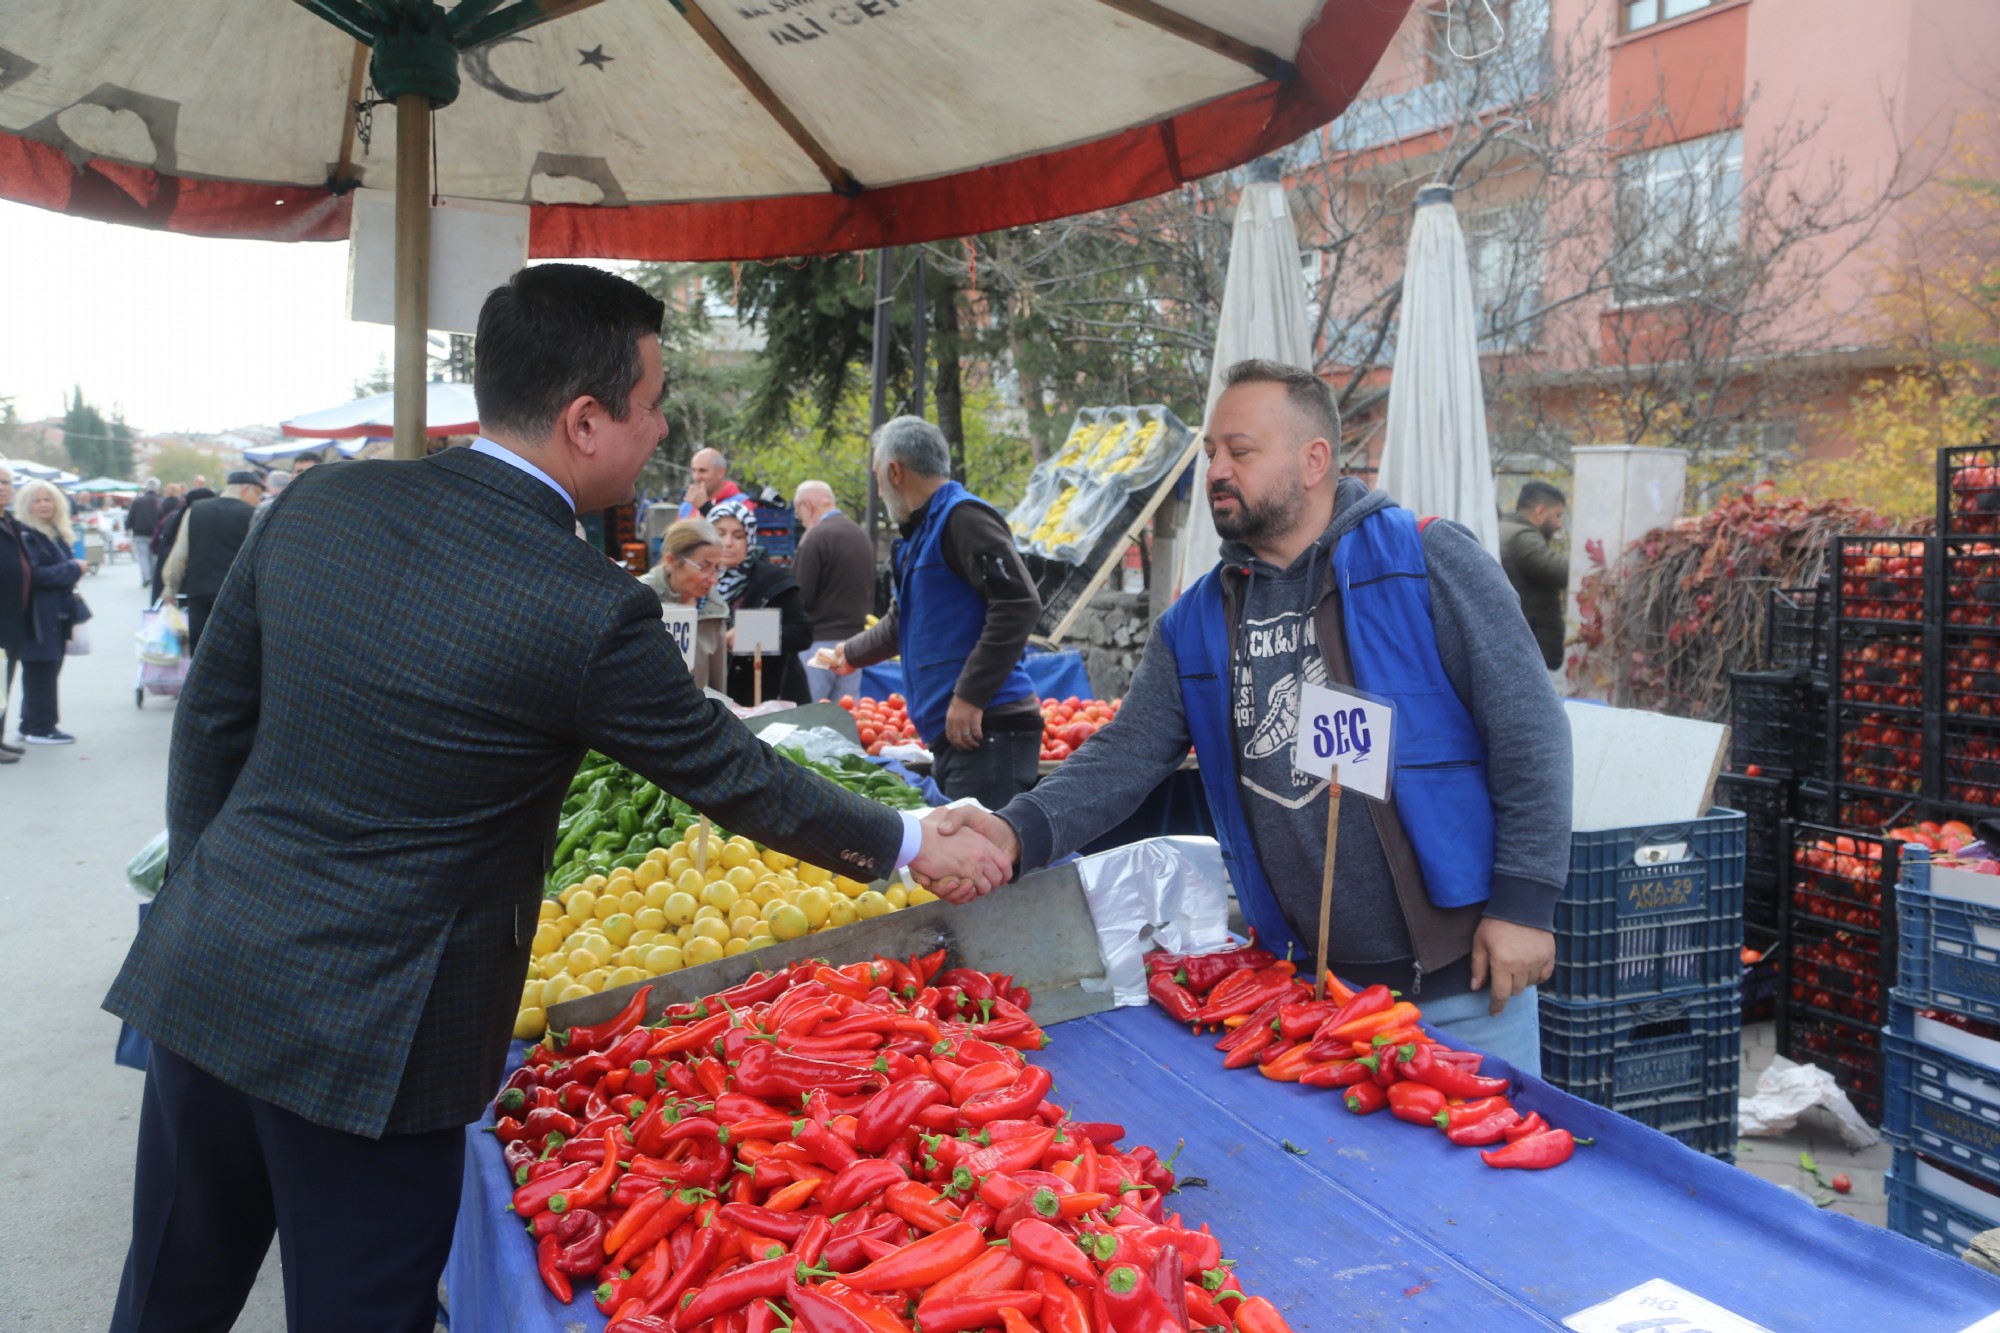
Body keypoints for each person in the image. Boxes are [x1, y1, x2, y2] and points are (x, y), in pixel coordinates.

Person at [102, 264, 1012, 1333]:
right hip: (383, 1038)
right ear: (584, 420)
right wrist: (909, 837)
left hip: (209, 967)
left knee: (168, 1289)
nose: (661, 428)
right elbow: (733, 774)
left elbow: (211, 727)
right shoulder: (581, 602)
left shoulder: (318, 503)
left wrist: (209, 891)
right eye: (651, 404)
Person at [936, 361, 1572, 1071]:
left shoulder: (1425, 560)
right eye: (1211, 452)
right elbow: (1127, 753)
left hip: (1461, 987)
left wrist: (1524, 904)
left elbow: (1529, 730)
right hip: (1307, 996)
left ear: (1314, 460)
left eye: (1240, 451)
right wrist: (1014, 829)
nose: (1216, 470)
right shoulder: (1197, 620)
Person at [827, 417, 1043, 808]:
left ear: (895, 472)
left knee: (974, 848)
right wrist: (850, 654)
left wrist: (970, 695)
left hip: (988, 729)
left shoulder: (964, 518)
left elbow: (1019, 603)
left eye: (877, 477)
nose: (879, 488)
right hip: (960, 735)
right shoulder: (921, 533)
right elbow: (900, 623)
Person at [710, 498, 813, 707]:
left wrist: (750, 634)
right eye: (720, 533)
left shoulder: (774, 580)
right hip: (716, 694)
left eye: (738, 536)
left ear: (749, 539)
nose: (728, 542)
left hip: (768, 697)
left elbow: (802, 634)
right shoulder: (698, 580)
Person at [11, 477, 88, 746]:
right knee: (42, 669)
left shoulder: (51, 532)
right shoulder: (27, 535)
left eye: (48, 499)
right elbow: (35, 575)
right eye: (37, 501)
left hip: (53, 614)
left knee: (44, 669)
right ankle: (42, 727)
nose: (44, 505)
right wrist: (73, 568)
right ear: (26, 505)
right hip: (37, 615)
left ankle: (29, 724)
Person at [162, 471, 265, 653]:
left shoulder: (195, 510)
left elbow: (179, 555)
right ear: (246, 489)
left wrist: (170, 589)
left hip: (199, 593)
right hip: (236, 597)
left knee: (200, 650)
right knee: (234, 653)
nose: (258, 500)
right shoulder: (252, 514)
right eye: (257, 494)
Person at [792, 479, 873, 702]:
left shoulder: (815, 537)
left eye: (799, 513)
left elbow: (802, 597)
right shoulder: (861, 535)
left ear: (807, 506)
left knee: (810, 714)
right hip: (854, 645)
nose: (801, 520)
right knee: (845, 714)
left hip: (819, 645)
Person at [641, 517, 731, 693]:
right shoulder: (640, 600)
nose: (714, 579)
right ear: (671, 561)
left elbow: (718, 688)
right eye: (704, 567)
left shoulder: (714, 609)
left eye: (717, 568)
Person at [1498, 480, 1569, 686]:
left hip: (1514, 647)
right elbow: (1562, 571)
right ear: (1540, 511)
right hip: (1529, 651)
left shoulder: (1504, 529)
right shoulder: (1522, 538)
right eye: (1558, 515)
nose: (1560, 524)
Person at [0, 463, 30, 764]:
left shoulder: (9, 522)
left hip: (11, 618)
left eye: (6, 482)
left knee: (2, 683)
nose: (1, 487)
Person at [149, 487, 206, 606]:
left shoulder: (172, 517)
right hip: (189, 580)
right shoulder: (198, 519)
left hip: (169, 573)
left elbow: (155, 544)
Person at [678, 446, 747, 518]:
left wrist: (705, 507)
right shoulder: (687, 506)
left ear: (720, 472)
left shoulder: (742, 503)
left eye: (702, 471)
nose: (696, 477)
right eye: (694, 470)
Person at [128, 478, 164, 588]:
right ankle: (153, 577)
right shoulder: (160, 501)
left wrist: (128, 527)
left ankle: (146, 576)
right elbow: (162, 517)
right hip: (155, 533)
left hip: (139, 533)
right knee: (153, 556)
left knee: (142, 556)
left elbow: (131, 516)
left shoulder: (137, 501)